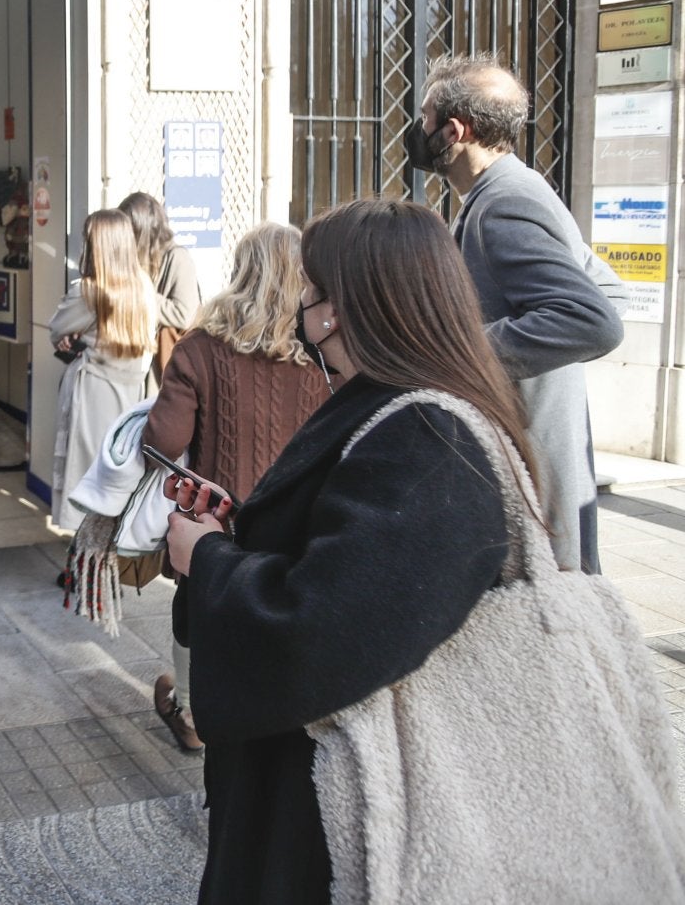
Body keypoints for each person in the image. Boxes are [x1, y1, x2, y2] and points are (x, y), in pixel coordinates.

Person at [162, 197, 534, 902]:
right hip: (314, 794)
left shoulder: (430, 436)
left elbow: (323, 626)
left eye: (311, 285)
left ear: (338, 308)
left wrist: (206, 557)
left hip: (342, 813)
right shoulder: (400, 404)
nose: (300, 301)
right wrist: (240, 530)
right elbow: (348, 554)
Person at [413, 54, 626, 572]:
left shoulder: (506, 203)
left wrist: (464, 350)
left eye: (424, 117)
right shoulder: (515, 190)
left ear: (455, 130)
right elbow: (608, 291)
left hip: (533, 467)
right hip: (539, 461)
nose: (418, 129)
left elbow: (595, 318)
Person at [139, 222, 327, 752]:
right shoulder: (323, 352)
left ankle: (194, 715)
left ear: (241, 273)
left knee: (194, 604)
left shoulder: (199, 347)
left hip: (216, 523)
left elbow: (163, 440)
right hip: (298, 524)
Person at [47, 209, 158, 533]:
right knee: (116, 479)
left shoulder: (88, 290)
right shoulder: (144, 287)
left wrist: (77, 336)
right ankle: (107, 558)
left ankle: (85, 564)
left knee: (86, 480)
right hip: (131, 398)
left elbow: (57, 329)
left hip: (93, 394)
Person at [119, 191, 201, 388]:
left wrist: (140, 292)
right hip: (135, 368)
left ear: (141, 229)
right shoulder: (137, 258)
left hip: (162, 373)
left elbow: (184, 314)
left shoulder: (178, 258)